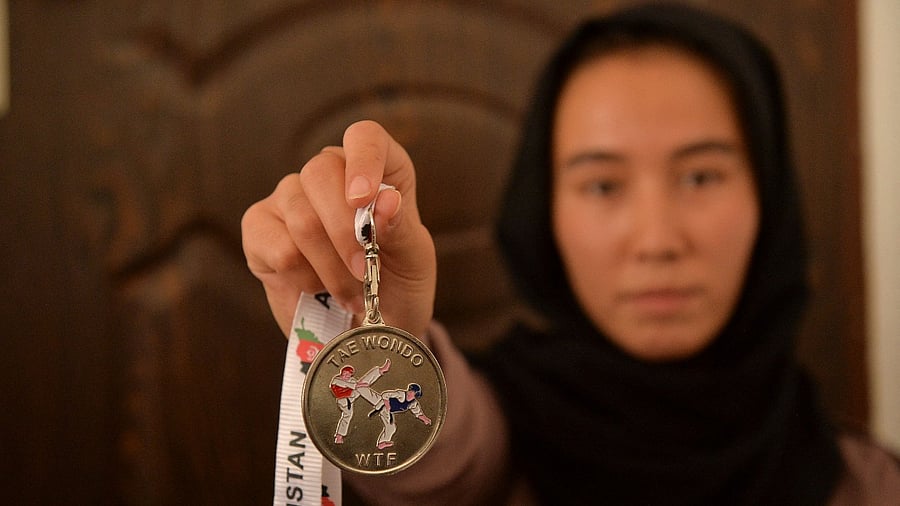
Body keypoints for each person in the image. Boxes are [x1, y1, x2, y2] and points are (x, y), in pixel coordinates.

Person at [241, 3, 900, 504]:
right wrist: (379, 333)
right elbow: (448, 464)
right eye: (603, 185)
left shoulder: (869, 483)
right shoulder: (506, 429)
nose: (658, 241)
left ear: (770, 199)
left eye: (701, 176)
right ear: (543, 211)